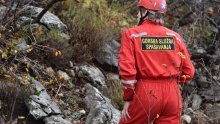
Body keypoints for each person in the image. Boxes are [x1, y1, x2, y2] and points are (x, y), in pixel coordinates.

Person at [118, 0, 195, 124]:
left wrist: (128, 98)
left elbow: (127, 71)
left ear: (144, 12)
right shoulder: (175, 37)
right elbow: (189, 72)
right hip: (172, 95)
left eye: (139, 12)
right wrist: (171, 82)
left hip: (145, 92)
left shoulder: (131, 35)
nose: (137, 16)